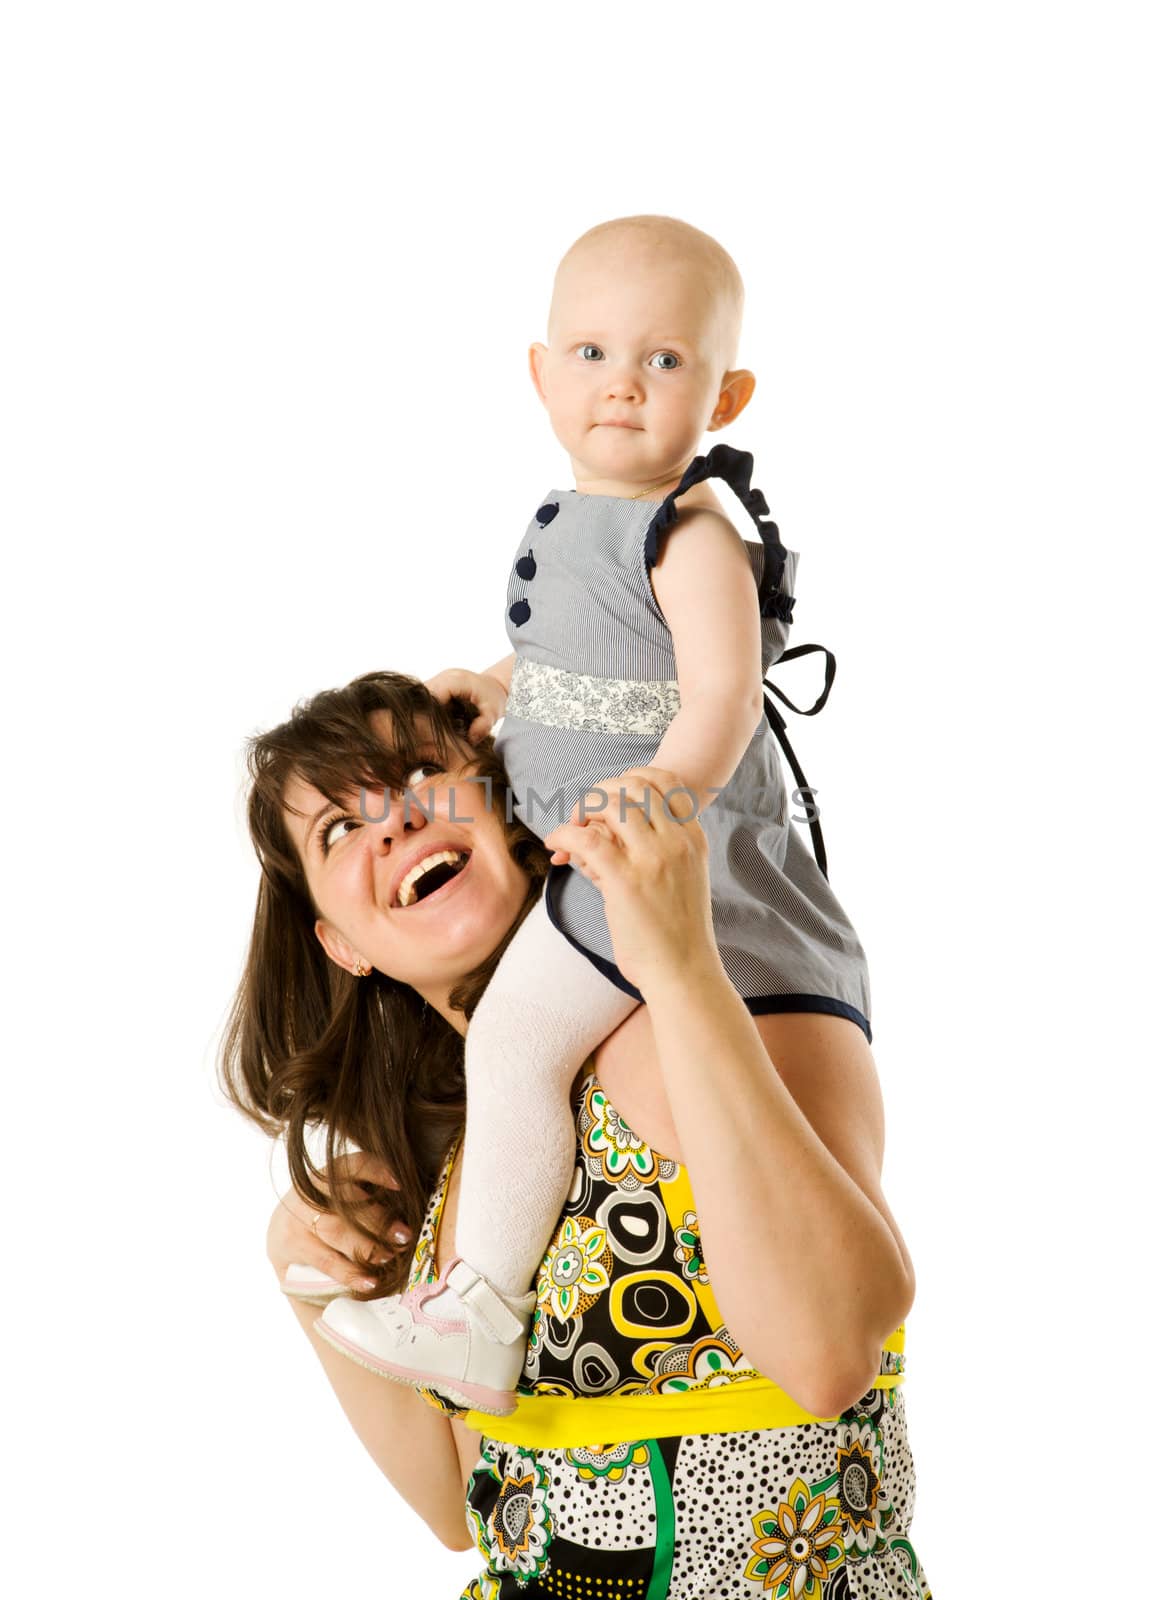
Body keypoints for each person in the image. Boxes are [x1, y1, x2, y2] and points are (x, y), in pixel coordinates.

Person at [315, 214, 875, 1417]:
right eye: (588, 354)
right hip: (605, 857)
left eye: (662, 360)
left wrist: (658, 793)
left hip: (664, 860)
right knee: (515, 1045)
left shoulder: (689, 534)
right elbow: (586, 664)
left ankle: (477, 1310)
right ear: (537, 375)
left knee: (512, 1042)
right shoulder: (570, 522)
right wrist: (496, 684)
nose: (620, 382)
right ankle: (475, 1305)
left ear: (724, 393)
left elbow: (718, 700)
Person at [221, 671, 932, 1597]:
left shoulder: (689, 1019)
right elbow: (460, 1505)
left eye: (417, 774)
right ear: (340, 944)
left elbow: (833, 1358)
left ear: (503, 803)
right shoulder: (476, 1166)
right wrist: (310, 1284)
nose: (390, 823)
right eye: (340, 829)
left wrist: (680, 973)